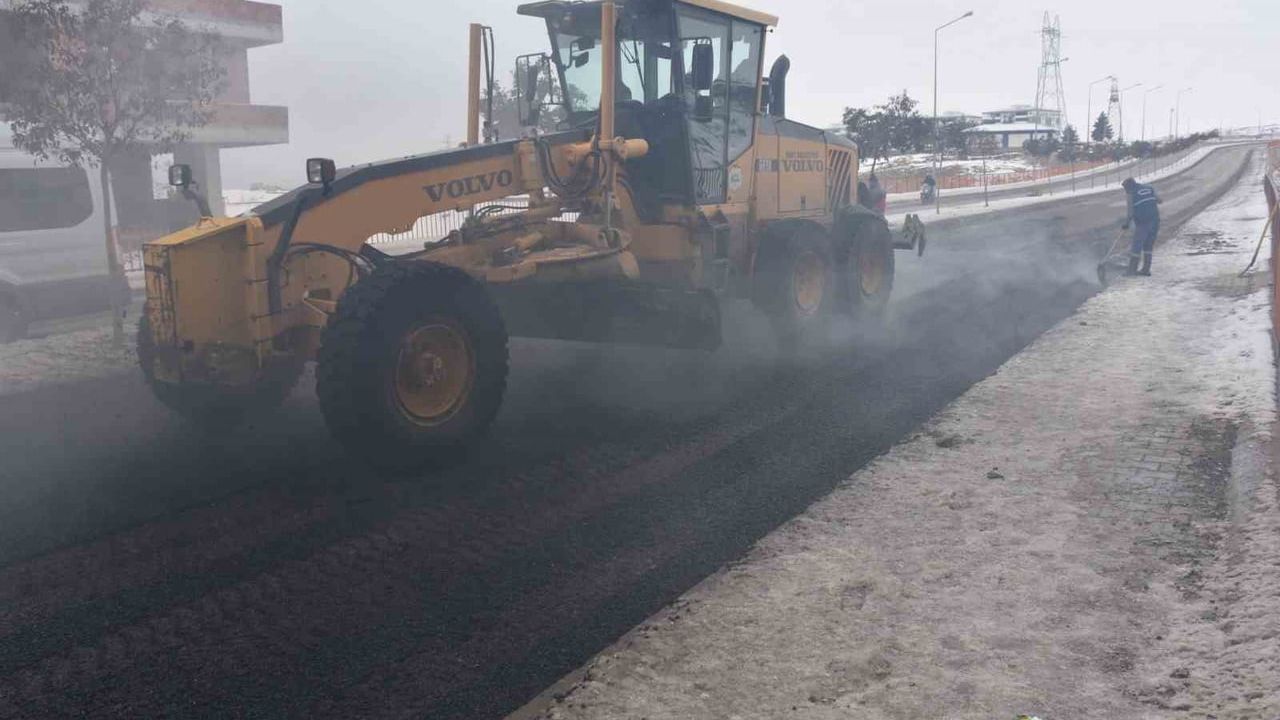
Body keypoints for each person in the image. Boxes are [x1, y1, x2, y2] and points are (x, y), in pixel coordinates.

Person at [1121, 177, 1162, 276]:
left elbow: (1130, 212)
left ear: (1129, 187)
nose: (1125, 191)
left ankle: (1132, 270)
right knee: (1148, 246)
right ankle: (1146, 269)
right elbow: (1160, 200)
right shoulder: (1149, 188)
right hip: (1155, 220)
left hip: (1143, 222)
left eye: (1125, 189)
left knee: (1136, 246)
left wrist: (1126, 224)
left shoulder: (1131, 193)